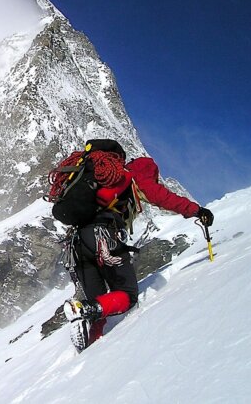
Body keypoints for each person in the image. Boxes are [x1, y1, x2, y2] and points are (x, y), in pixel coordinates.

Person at [61, 141, 214, 350]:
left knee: (100, 303)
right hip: (102, 237)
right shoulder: (134, 174)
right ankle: (84, 310)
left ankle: (91, 348)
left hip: (75, 245)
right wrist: (197, 211)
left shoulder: (97, 180)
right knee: (127, 294)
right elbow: (163, 197)